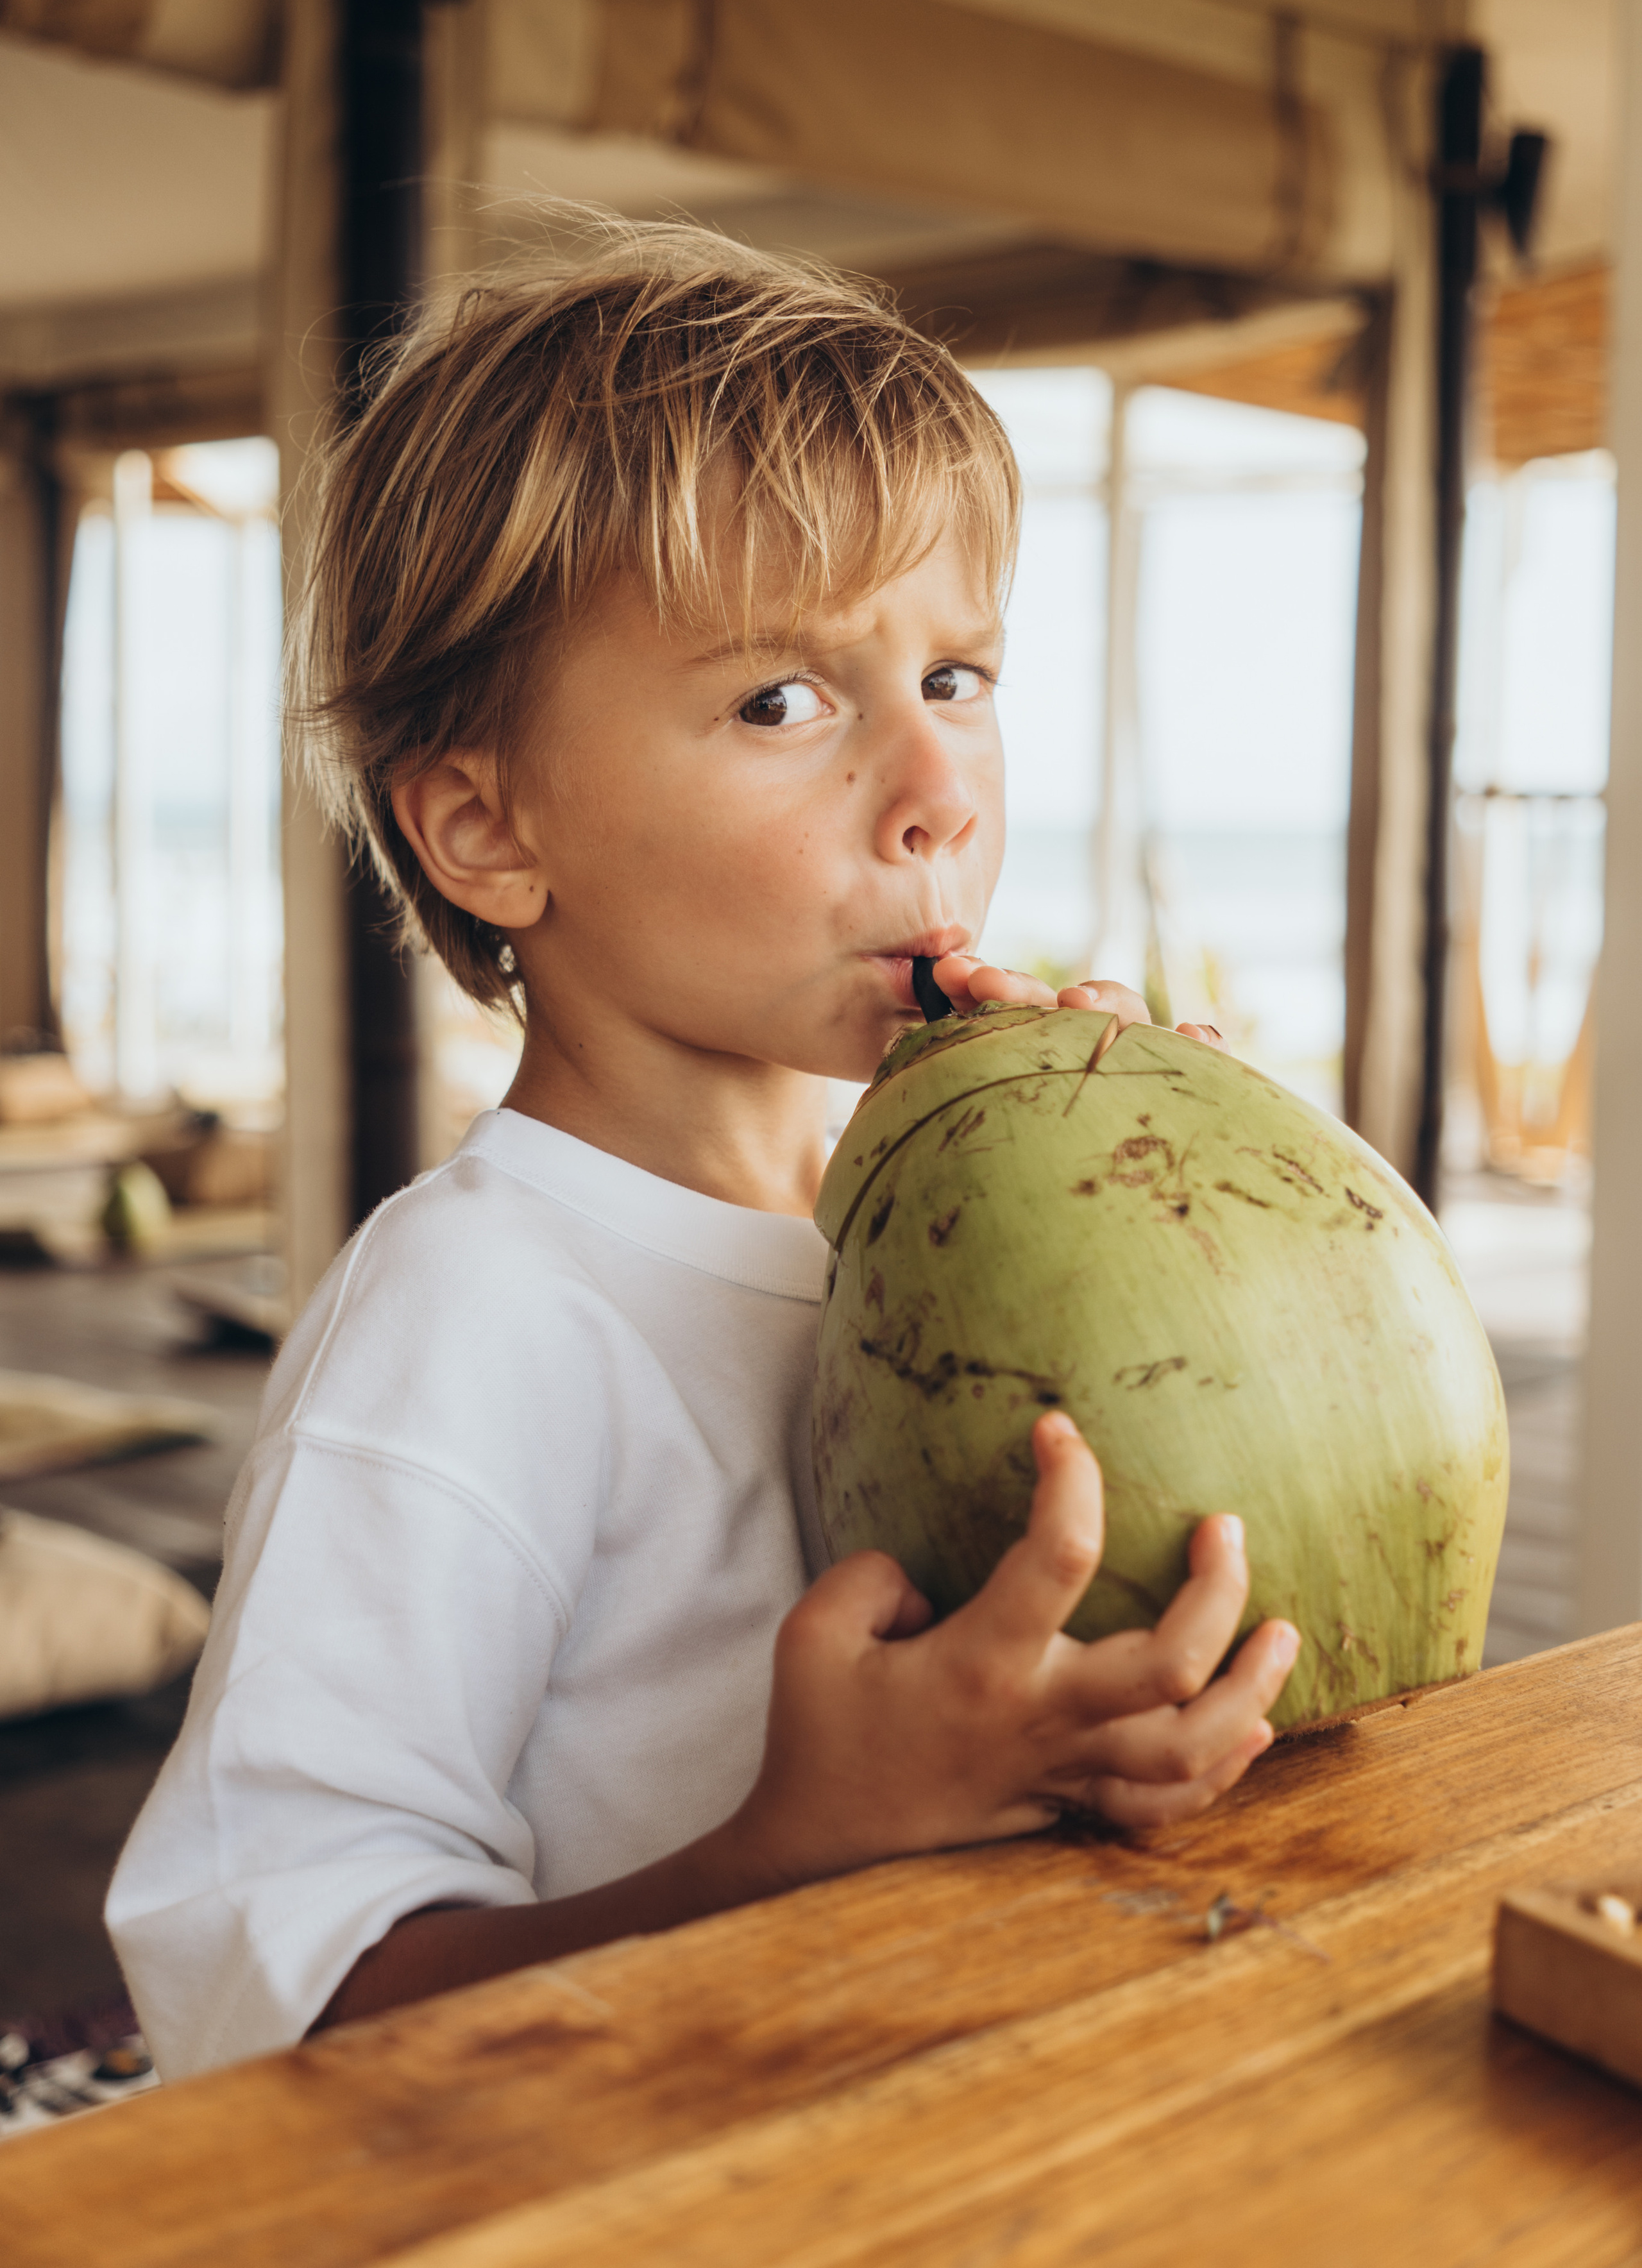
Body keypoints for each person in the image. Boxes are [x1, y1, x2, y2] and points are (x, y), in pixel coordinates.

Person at [107, 227, 1299, 2078]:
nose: (938, 792)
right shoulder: (476, 1316)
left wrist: (1201, 1258)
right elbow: (262, 1992)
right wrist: (792, 1851)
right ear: (490, 834)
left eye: (960, 675)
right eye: (784, 701)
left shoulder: (918, 1239)